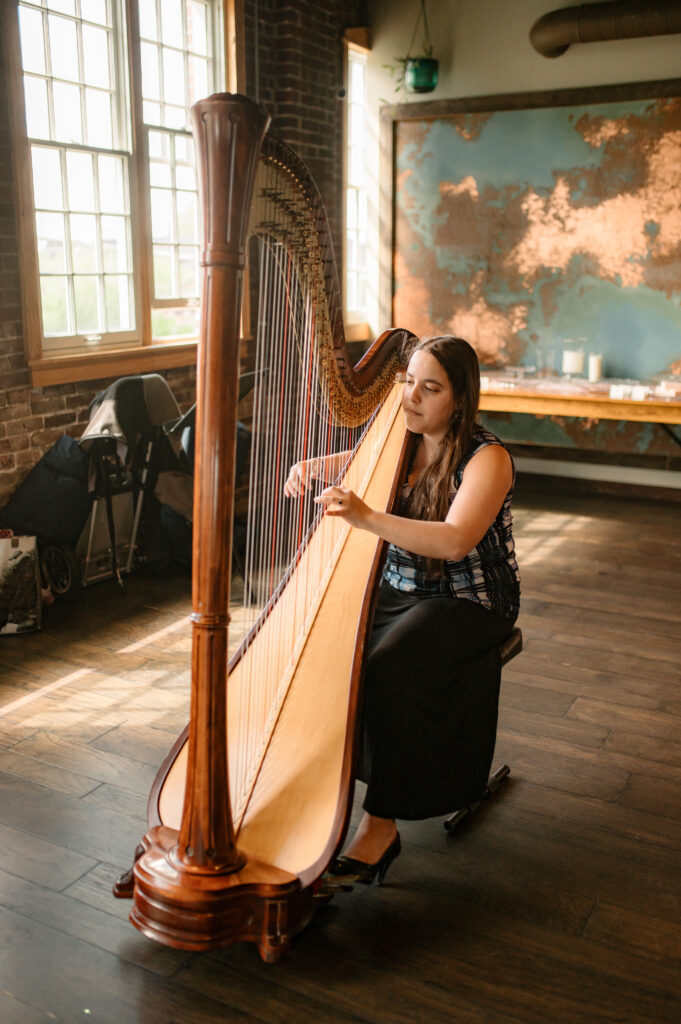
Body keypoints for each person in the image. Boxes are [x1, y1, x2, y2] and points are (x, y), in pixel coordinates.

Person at [284, 336, 520, 885]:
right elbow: (357, 463)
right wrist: (313, 466)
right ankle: (318, 789)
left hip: (468, 598)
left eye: (430, 388)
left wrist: (365, 517)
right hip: (403, 587)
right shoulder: (401, 439)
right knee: (321, 645)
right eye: (407, 381)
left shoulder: (489, 458)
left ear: (460, 401)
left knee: (389, 664)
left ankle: (379, 823)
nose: (412, 397)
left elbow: (456, 540)